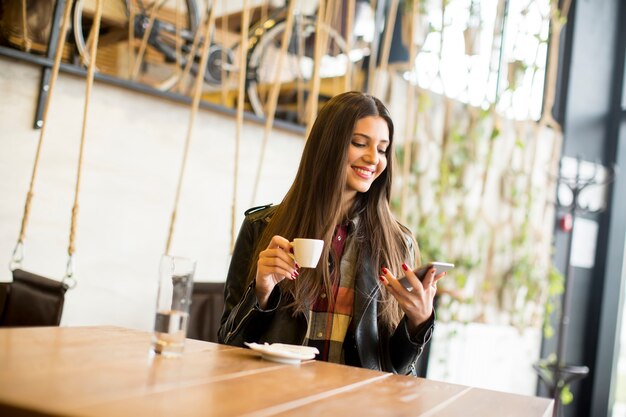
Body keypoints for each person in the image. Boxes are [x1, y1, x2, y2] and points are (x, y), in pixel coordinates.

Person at [218, 91, 444, 375]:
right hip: (276, 395)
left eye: (383, 149)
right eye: (360, 143)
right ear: (328, 146)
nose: (374, 158)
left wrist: (418, 321)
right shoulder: (261, 227)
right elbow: (227, 343)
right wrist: (262, 292)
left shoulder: (398, 243)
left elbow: (396, 369)